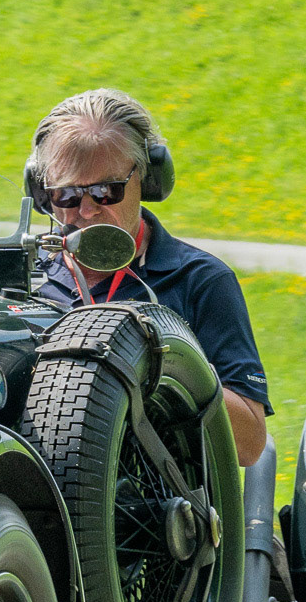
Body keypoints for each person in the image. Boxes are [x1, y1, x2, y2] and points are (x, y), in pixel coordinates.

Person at [24, 89, 270, 465]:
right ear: (42, 194)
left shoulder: (201, 280)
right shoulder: (23, 278)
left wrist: (158, 363)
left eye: (106, 191)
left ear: (148, 180)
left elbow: (249, 445)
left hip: (154, 505)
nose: (87, 211)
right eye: (67, 195)